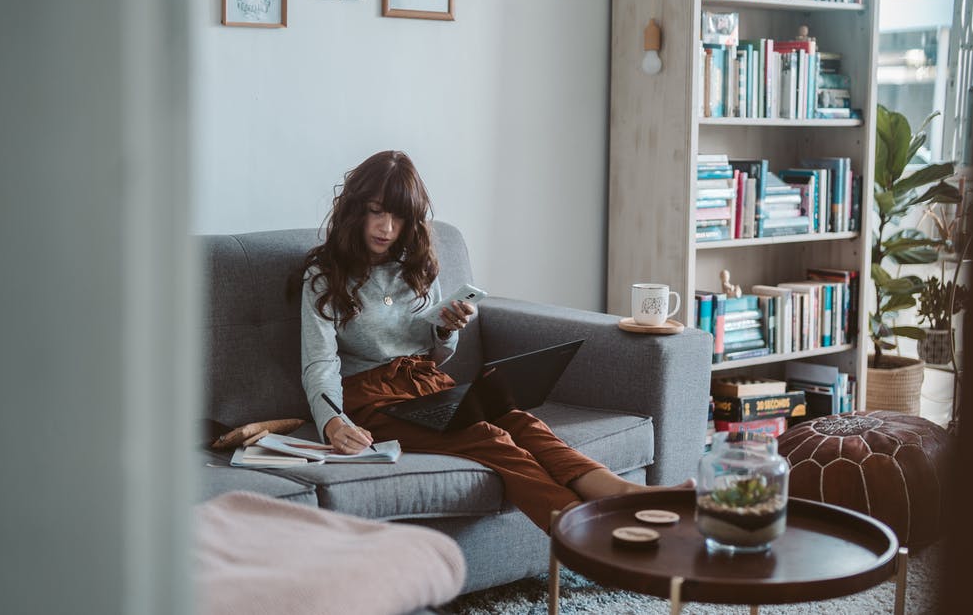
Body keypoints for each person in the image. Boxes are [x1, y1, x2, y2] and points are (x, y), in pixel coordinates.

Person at [291, 150, 687, 533]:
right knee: (488, 438)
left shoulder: (416, 266)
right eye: (376, 211)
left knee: (518, 420)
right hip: (373, 401)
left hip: (428, 385)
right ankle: (579, 529)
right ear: (356, 209)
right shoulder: (324, 276)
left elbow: (438, 354)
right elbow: (320, 363)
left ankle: (625, 494)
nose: (386, 228)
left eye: (398, 216)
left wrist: (446, 329)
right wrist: (332, 422)